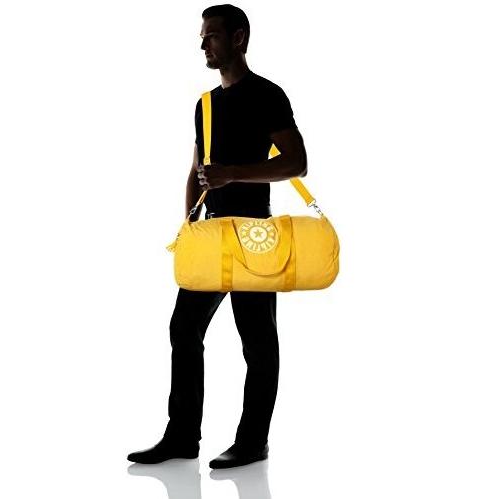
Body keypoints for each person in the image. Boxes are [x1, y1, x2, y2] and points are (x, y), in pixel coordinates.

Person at [127, 4, 307, 469]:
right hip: (210, 233)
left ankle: (252, 443)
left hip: (254, 233)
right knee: (183, 328)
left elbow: (297, 163)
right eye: (202, 36)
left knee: (257, 340)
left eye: (211, 35)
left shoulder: (267, 94)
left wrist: (233, 174)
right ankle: (182, 437)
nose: (203, 44)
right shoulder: (205, 104)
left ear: (238, 38)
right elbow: (196, 169)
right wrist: (189, 223)